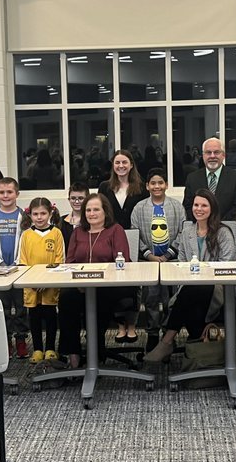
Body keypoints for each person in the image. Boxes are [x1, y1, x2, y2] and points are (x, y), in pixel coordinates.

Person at [144, 188, 236, 362]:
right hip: (189, 288)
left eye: (204, 205)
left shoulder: (223, 233)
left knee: (194, 292)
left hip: (216, 288)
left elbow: (227, 265)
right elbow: (182, 265)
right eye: (196, 205)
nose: (198, 209)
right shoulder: (187, 232)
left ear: (212, 209)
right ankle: (198, 347)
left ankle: (167, 341)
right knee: (193, 300)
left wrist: (201, 273)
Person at [57, 193, 132, 369]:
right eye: (88, 210)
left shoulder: (115, 230)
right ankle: (72, 352)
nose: (91, 213)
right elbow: (70, 263)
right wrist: (81, 283)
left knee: (99, 301)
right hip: (80, 285)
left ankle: (96, 351)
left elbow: (123, 262)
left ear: (105, 211)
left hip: (109, 286)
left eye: (96, 209)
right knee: (66, 299)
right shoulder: (78, 232)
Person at [130, 167, 185, 352]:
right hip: (149, 261)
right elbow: (135, 234)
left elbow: (183, 232)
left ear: (166, 185)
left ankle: (169, 334)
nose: (157, 186)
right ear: (147, 186)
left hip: (171, 260)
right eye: (153, 183)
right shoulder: (139, 208)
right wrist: (150, 256)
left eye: (160, 182)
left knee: (171, 299)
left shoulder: (177, 207)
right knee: (152, 298)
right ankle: (153, 334)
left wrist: (168, 254)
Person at [98, 149, 148, 344]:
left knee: (133, 284)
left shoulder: (141, 187)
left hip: (135, 238)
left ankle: (133, 324)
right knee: (115, 283)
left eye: (124, 162)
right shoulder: (104, 186)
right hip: (110, 238)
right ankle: (119, 325)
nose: (121, 166)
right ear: (113, 165)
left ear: (131, 164)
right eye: (117, 163)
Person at [0, 177, 30, 358]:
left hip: (19, 269)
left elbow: (27, 241)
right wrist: (0, 264)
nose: (6, 195)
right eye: (2, 192)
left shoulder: (24, 217)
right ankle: (6, 340)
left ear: (17, 194)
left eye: (9, 192)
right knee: (2, 307)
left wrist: (17, 263)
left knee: (21, 306)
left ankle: (21, 339)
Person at [18, 198, 65, 363]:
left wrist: (46, 281)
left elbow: (60, 260)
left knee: (51, 316)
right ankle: (37, 349)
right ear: (30, 215)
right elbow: (22, 261)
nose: (39, 217)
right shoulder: (26, 235)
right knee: (35, 317)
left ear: (50, 213)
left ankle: (51, 348)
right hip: (31, 286)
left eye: (43, 213)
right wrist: (34, 281)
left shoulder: (56, 233)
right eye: (35, 214)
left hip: (50, 285)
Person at [182, 137, 236, 222]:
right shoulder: (192, 178)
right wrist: (203, 223)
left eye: (216, 152)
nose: (212, 156)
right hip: (199, 229)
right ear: (203, 155)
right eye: (208, 152)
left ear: (223, 155)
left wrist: (217, 224)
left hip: (227, 228)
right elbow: (188, 206)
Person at [58, 182, 89, 250]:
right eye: (73, 198)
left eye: (80, 198)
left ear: (87, 199)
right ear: (69, 199)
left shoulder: (92, 220)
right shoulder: (60, 222)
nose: (77, 202)